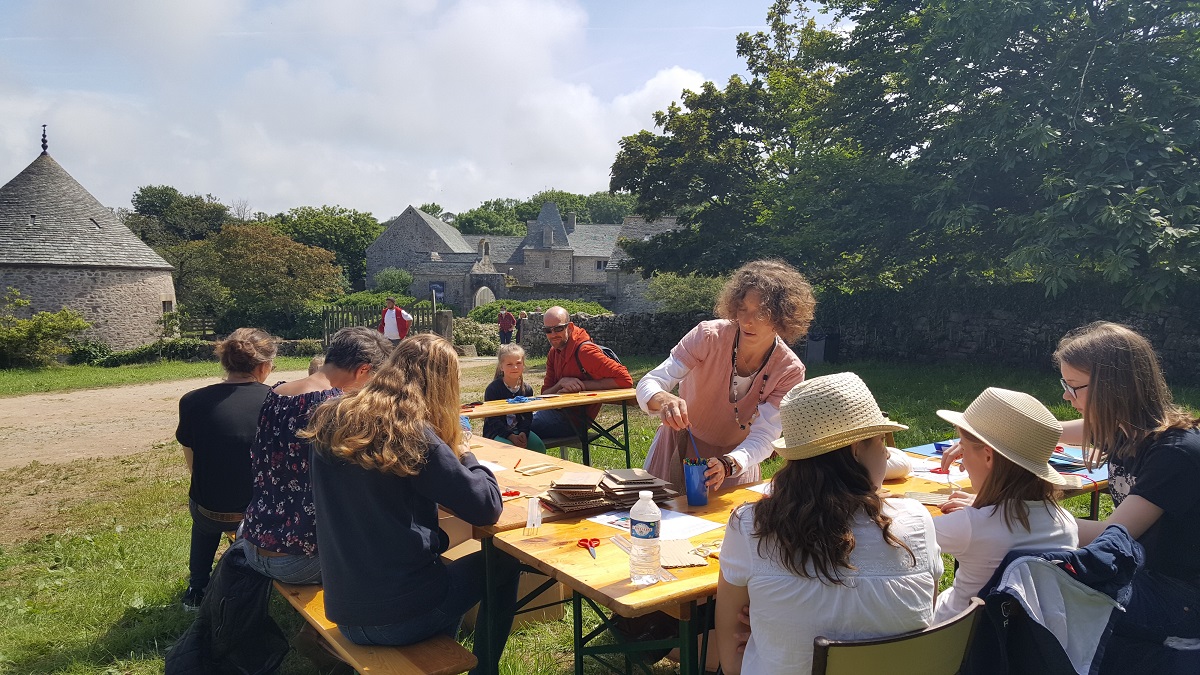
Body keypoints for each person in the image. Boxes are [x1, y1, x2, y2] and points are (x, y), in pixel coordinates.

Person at [303, 334, 521, 672]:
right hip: (399, 616)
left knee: (441, 557)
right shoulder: (410, 431)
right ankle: (485, 670)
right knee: (503, 562)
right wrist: (465, 453)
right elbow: (486, 505)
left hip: (345, 607)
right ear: (442, 385)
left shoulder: (331, 416)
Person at [715, 372, 942, 675]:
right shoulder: (917, 520)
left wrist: (768, 634)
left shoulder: (749, 526)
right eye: (880, 439)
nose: (887, 451)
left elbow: (731, 663)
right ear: (855, 448)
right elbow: (924, 618)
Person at [1055, 322, 1200, 673]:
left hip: (1181, 599)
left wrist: (1020, 516)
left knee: (1039, 585)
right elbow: (1051, 431)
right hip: (1143, 574)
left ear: (1113, 389)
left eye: (1073, 387)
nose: (1065, 397)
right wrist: (982, 434)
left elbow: (1112, 536)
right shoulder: (1126, 427)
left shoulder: (1174, 452)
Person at [637, 259, 812, 491]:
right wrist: (663, 399)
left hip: (737, 461)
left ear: (782, 317)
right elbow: (649, 382)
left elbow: (766, 435)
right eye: (743, 309)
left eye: (761, 313)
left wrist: (728, 465)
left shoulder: (789, 370)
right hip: (677, 450)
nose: (747, 321)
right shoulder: (708, 336)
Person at [237, 327, 391, 585]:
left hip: (254, 541)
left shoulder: (277, 393)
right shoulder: (341, 408)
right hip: (300, 559)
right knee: (395, 549)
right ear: (363, 370)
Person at [932, 387, 1079, 622]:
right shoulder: (1065, 523)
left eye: (964, 447)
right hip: (1021, 644)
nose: (963, 461)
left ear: (988, 457)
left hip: (956, 643)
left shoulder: (970, 526)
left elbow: (903, 536)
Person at [175, 328, 277, 610]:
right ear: (264, 366)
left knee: (203, 515)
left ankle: (197, 587)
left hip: (208, 508)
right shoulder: (276, 401)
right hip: (254, 514)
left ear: (225, 362)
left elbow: (191, 458)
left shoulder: (192, 400)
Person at [529, 306, 633, 440]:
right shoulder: (553, 352)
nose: (553, 334)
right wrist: (561, 384)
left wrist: (582, 385)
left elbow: (625, 379)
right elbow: (545, 395)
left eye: (559, 328)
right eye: (548, 330)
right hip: (552, 412)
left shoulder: (585, 352)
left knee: (516, 430)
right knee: (507, 426)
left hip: (575, 421)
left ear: (570, 327)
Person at [483, 343, 547, 453]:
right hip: (496, 432)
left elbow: (527, 416)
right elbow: (493, 420)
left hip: (519, 430)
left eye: (518, 363)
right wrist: (510, 436)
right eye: (509, 364)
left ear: (524, 365)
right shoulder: (493, 389)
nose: (515, 367)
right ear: (501, 366)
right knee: (510, 450)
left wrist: (524, 432)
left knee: (538, 447)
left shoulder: (527, 389)